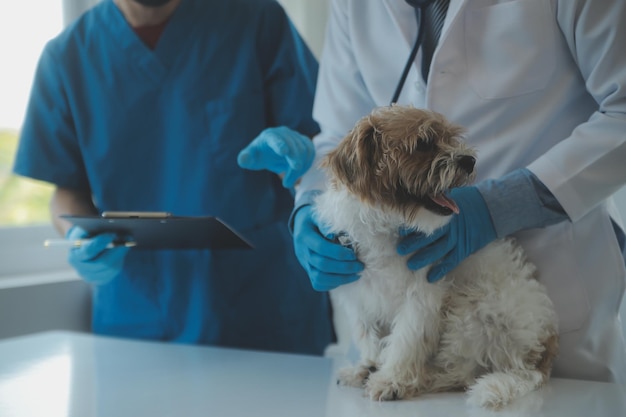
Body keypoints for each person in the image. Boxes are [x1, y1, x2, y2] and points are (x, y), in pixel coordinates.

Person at [239, 0, 626, 381]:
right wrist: (310, 207)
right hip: (393, 324)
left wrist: (501, 205)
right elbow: (340, 140)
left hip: (546, 289)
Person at [12, 0, 335, 355]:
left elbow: (324, 141)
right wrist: (77, 236)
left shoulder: (257, 20)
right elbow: (66, 191)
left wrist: (302, 151)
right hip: (138, 322)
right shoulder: (66, 58)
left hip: (263, 310)